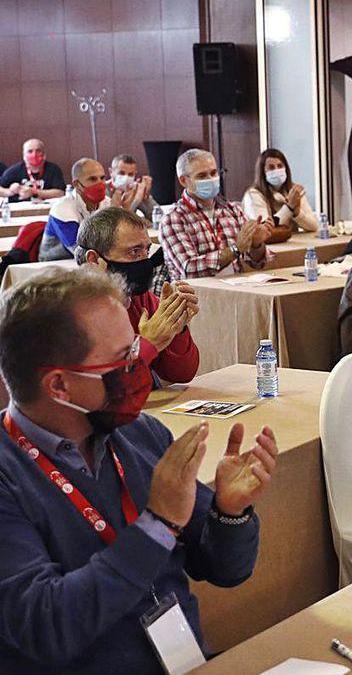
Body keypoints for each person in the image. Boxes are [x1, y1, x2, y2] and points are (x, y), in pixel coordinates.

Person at [0, 265, 277, 672]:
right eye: (123, 358)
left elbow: (224, 569)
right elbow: (48, 625)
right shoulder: (9, 474)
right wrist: (158, 525)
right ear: (59, 385)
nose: (138, 366)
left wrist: (229, 513)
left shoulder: (137, 433)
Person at [76, 206, 200, 385]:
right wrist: (149, 344)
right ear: (95, 260)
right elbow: (95, 389)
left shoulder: (139, 299)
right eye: (134, 252)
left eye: (146, 251)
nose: (145, 262)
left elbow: (181, 374)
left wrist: (176, 326)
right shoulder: (72, 313)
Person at [160, 149, 272, 280]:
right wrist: (235, 249)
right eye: (202, 176)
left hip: (236, 290)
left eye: (213, 173)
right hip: (195, 295)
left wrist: (256, 245)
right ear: (184, 181)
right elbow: (189, 269)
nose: (210, 179)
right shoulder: (173, 219)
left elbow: (257, 263)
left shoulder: (233, 210)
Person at [41, 158, 113, 261]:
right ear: (76, 184)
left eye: (102, 178)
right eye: (92, 179)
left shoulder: (108, 203)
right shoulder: (62, 208)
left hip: (90, 262)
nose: (100, 184)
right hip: (55, 265)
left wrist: (127, 207)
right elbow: (79, 252)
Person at [242, 149, 318, 245]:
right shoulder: (253, 195)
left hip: (293, 246)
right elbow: (265, 231)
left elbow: (314, 226)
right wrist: (289, 208)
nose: (277, 170)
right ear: (262, 172)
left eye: (280, 166)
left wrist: (297, 213)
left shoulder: (293, 191)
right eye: (271, 167)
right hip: (267, 251)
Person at [0, 139, 67, 202]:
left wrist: (33, 192)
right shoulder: (14, 171)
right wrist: (10, 191)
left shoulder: (53, 169)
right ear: (24, 155)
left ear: (44, 154)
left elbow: (60, 193)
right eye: (30, 151)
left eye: (38, 151)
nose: (34, 154)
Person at [108, 154, 158, 221]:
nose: (126, 178)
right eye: (121, 173)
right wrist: (139, 219)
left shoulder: (136, 189)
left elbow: (158, 216)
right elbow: (111, 221)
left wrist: (146, 197)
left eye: (130, 174)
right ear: (111, 172)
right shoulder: (103, 190)